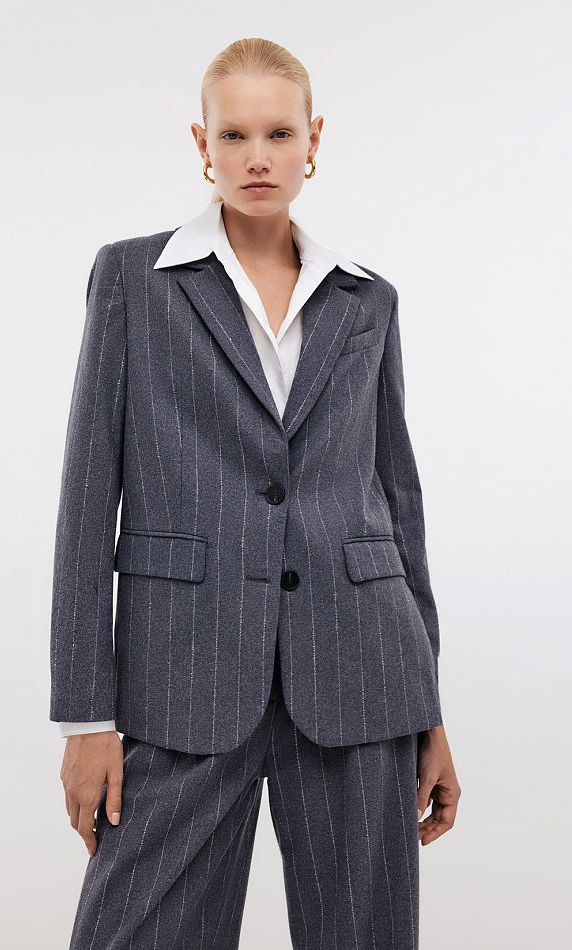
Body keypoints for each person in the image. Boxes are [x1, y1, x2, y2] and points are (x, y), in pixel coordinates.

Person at [50, 36, 461, 950]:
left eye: (279, 133)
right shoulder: (134, 279)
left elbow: (397, 507)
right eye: (234, 135)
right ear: (203, 144)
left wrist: (428, 710)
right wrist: (85, 717)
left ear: (315, 140)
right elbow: (85, 501)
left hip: (361, 676)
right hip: (182, 682)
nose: (258, 157)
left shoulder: (367, 300)